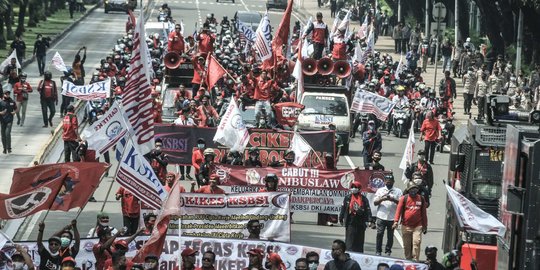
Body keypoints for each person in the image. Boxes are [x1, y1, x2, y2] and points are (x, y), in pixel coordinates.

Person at [393, 182, 428, 261]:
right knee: (407, 245)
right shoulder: (403, 198)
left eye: (415, 189)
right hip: (406, 225)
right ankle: (408, 259)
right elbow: (398, 211)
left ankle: (416, 260)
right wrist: (396, 222)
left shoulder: (421, 198)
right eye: (411, 189)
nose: (413, 191)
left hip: (417, 226)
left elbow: (424, 214)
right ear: (408, 190)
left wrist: (425, 225)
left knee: (417, 243)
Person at [373, 174, 402, 256]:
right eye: (387, 181)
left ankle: (388, 250)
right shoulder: (380, 190)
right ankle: (378, 250)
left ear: (393, 182)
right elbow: (375, 202)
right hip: (381, 216)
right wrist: (383, 198)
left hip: (392, 217)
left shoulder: (398, 191)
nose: (389, 182)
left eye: (390, 181)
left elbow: (401, 203)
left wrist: (393, 199)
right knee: (379, 234)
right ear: (384, 182)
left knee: (390, 236)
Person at [339, 182, 372, 253]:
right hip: (350, 222)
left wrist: (369, 220)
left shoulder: (364, 199)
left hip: (361, 223)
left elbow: (368, 210)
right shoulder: (347, 198)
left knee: (359, 243)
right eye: (352, 187)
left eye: (355, 187)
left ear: (359, 189)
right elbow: (343, 208)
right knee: (349, 242)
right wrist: (341, 218)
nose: (353, 189)